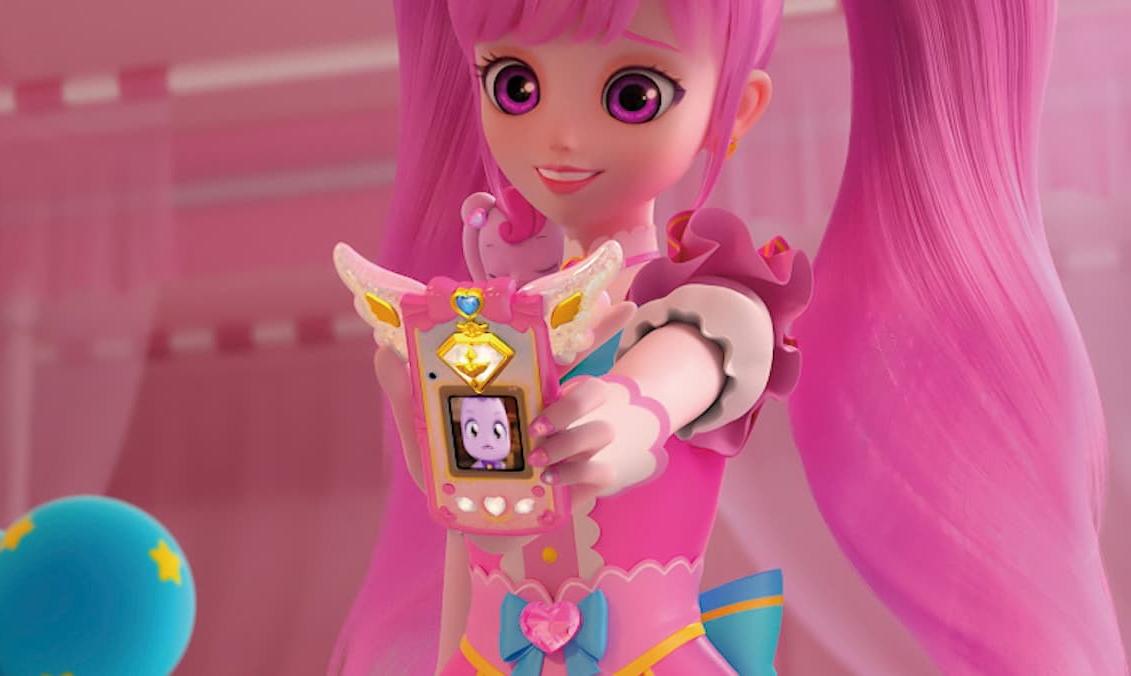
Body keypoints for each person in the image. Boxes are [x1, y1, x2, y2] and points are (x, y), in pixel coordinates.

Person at [332, 1, 1124, 674]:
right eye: (515, 85)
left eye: (632, 94)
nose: (561, 137)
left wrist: (633, 409)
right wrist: (414, 403)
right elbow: (462, 540)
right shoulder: (494, 318)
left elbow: (693, 358)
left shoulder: (705, 297)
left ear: (735, 110)